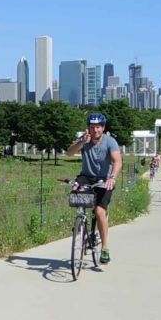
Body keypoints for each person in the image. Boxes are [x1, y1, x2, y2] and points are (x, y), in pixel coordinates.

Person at [67, 113, 122, 264]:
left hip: (105, 180)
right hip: (86, 176)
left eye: (98, 127)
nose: (95, 130)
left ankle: (104, 248)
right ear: (88, 128)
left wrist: (112, 177)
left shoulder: (110, 141)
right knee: (77, 194)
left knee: (99, 211)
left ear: (103, 128)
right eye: (92, 127)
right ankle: (81, 222)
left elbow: (117, 161)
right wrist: (80, 143)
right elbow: (69, 153)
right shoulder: (84, 140)